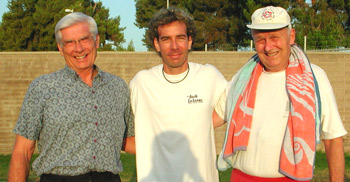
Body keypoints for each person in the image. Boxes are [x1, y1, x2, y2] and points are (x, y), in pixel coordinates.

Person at [214, 6, 347, 182]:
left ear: (291, 36)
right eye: (260, 39)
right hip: (242, 177)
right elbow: (214, 118)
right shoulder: (243, 78)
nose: (268, 47)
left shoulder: (314, 78)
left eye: (275, 37)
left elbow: (333, 139)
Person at [8, 12, 135, 182]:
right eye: (69, 42)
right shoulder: (42, 88)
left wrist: (175, 144)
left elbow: (127, 140)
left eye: (84, 39)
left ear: (96, 41)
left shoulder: (118, 87)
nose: (79, 48)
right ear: (60, 48)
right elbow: (23, 151)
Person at [129, 7, 227, 182]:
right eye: (166, 39)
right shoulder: (141, 83)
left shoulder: (209, 76)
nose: (174, 47)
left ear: (189, 41)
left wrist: (198, 124)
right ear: (156, 44)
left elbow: (231, 106)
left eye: (180, 38)